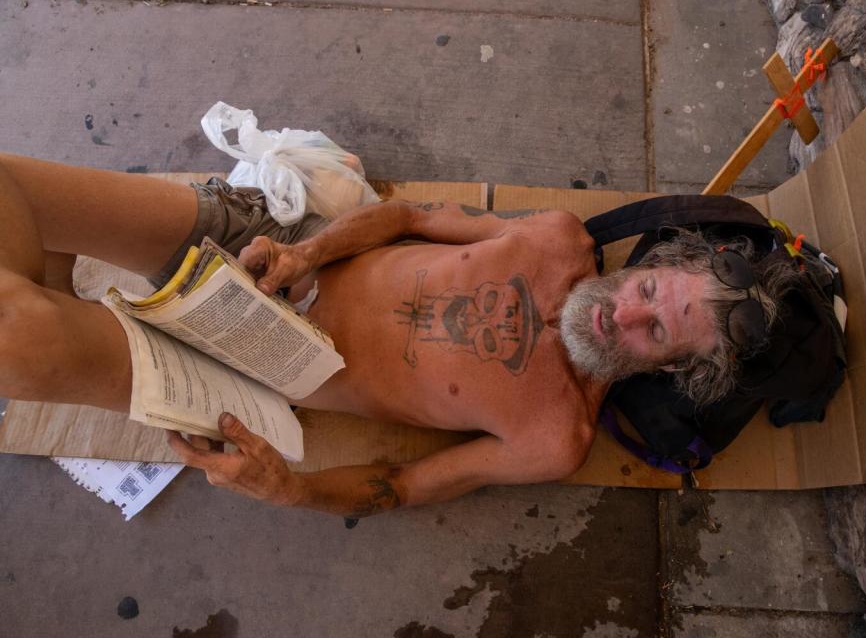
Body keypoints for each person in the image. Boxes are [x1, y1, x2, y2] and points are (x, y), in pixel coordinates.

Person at [0, 154, 785, 518]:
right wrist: (306, 250)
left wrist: (292, 490)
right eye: (648, 292)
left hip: (234, 372)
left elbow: (407, 486)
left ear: (672, 370)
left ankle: (47, 285)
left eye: (654, 334)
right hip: (267, 247)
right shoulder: (558, 238)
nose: (626, 315)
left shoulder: (555, 434)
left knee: (21, 333)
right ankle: (47, 267)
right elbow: (409, 217)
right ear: (649, 266)